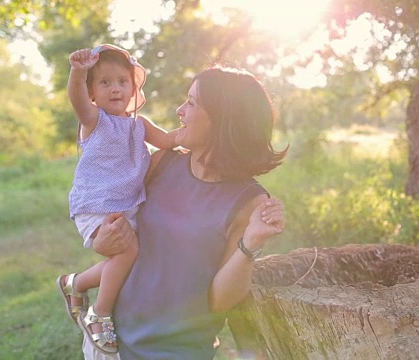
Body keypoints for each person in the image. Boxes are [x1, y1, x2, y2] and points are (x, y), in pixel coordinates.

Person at [80, 65, 287, 359]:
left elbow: (219, 301)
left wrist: (250, 244)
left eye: (190, 103)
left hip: (177, 351)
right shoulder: (161, 163)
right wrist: (103, 242)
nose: (180, 110)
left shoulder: (249, 202)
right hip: (110, 342)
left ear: (222, 120)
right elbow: (117, 226)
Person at [56, 44, 177, 355]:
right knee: (127, 253)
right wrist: (78, 72)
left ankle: (76, 282)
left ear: (133, 88)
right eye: (105, 82)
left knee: (128, 257)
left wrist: (198, 135)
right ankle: (100, 312)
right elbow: (76, 100)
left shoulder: (140, 124)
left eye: (123, 81)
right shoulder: (94, 120)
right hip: (96, 203)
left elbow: (168, 139)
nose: (115, 89)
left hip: (126, 206)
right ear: (92, 92)